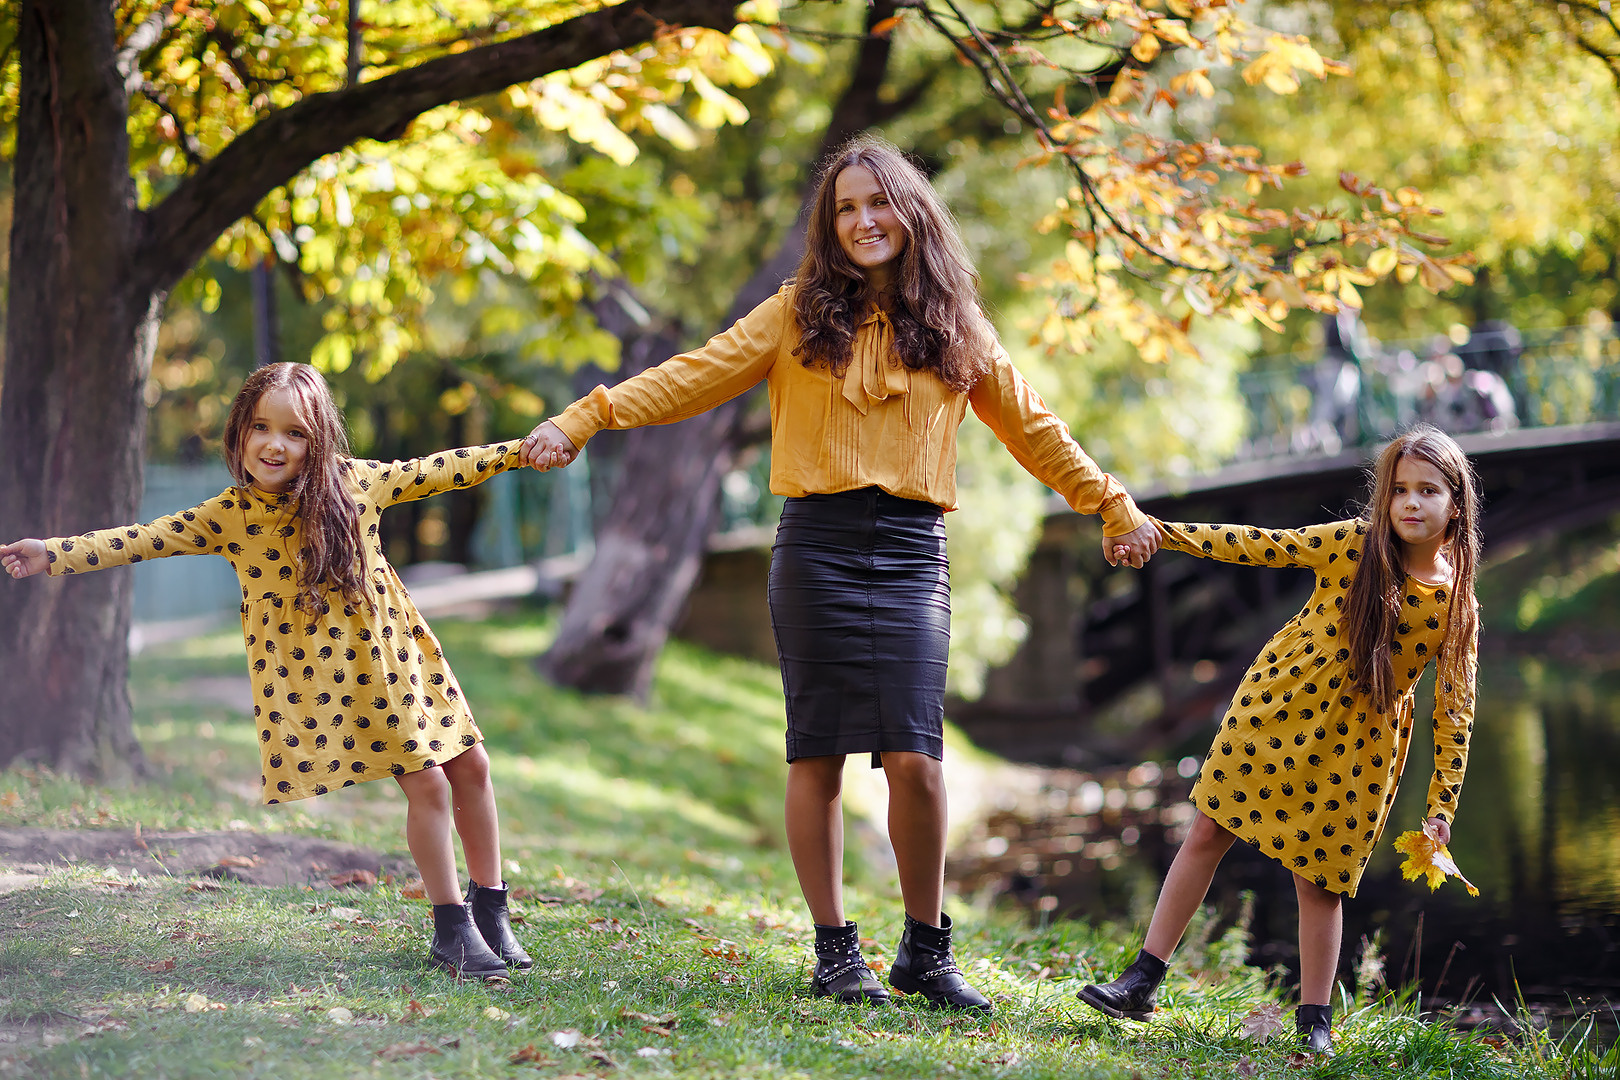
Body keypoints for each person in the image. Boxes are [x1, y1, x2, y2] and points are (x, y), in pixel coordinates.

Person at [521, 135, 1159, 1012]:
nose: (863, 220)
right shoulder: (793, 314)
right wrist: (586, 416)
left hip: (909, 552)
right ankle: (833, 950)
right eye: (845, 208)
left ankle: (926, 952)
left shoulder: (958, 329)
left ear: (913, 212)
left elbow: (1034, 427)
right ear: (830, 227)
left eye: (878, 202)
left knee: (917, 758)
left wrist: (1111, 502)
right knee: (816, 753)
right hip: (815, 544)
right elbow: (693, 378)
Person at [0, 362, 571, 981]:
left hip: (397, 653)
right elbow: (142, 538)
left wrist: (524, 450)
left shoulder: (354, 485)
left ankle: (492, 908)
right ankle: (451, 925)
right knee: (429, 784)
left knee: (472, 765)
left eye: (295, 433)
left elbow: (440, 468)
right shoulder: (231, 515)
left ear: (318, 439)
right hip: (331, 679)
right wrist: (51, 553)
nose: (275, 444)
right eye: (261, 428)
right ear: (239, 433)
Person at [1077, 424, 1481, 1052]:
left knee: (1319, 880)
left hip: (1360, 749)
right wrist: (1162, 531)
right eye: (1400, 489)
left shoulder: (1457, 603)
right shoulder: (1352, 544)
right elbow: (1259, 545)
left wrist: (1441, 805)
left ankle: (1313, 1022)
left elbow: (1455, 707)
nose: (1411, 503)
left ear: (1456, 503)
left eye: (1428, 490)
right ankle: (1142, 978)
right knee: (1209, 830)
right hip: (1279, 709)